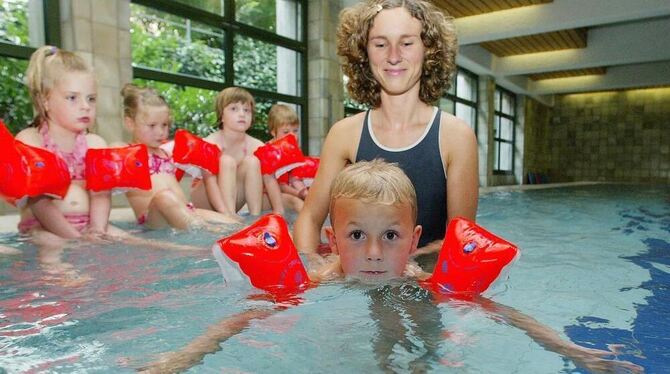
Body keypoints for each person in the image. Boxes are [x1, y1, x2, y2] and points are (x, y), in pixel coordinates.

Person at [140, 161, 641, 373]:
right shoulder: (322, 276)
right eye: (358, 237)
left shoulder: (420, 279)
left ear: (416, 241)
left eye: (392, 237)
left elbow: (506, 316)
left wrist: (574, 351)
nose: (376, 254)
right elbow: (243, 320)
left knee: (418, 337)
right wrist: (180, 358)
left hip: (409, 298)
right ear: (333, 241)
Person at [294, 0, 478, 255]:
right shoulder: (344, 134)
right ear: (363, 52)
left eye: (406, 43)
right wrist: (311, 267)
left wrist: (406, 261)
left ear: (429, 50)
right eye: (380, 44)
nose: (393, 56)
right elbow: (310, 219)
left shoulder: (455, 136)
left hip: (425, 283)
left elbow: (464, 239)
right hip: (356, 283)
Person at [121, 84, 238, 231]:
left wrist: (226, 212)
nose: (160, 132)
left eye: (164, 125)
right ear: (130, 123)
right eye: (152, 126)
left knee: (230, 223)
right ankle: (207, 232)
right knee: (164, 196)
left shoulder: (166, 153)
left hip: (185, 210)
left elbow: (207, 172)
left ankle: (236, 231)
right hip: (154, 218)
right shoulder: (126, 154)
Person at [190, 87, 286, 218]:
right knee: (226, 161)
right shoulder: (210, 143)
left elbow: (270, 179)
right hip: (206, 199)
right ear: (221, 115)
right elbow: (209, 182)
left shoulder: (257, 146)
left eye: (246, 110)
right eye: (234, 109)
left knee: (253, 162)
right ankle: (229, 216)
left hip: (234, 199)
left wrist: (279, 213)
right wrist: (226, 215)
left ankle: (254, 217)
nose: (242, 114)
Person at [263, 104, 306, 212]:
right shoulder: (269, 151)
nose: (292, 136)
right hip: (265, 196)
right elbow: (279, 185)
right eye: (286, 132)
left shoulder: (293, 150)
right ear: (273, 132)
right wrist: (300, 194)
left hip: (284, 193)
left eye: (295, 131)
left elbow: (295, 178)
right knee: (296, 202)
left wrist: (305, 192)